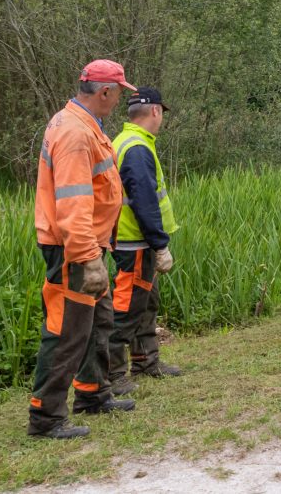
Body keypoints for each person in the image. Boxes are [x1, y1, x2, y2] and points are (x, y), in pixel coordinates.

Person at [29, 59, 137, 439]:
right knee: (67, 330)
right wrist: (88, 258)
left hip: (90, 244)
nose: (120, 99)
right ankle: (46, 417)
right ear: (105, 92)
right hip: (74, 248)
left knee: (97, 322)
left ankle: (93, 393)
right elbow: (73, 203)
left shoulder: (82, 124)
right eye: (120, 92)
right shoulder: (75, 133)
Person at [109, 87, 181, 396]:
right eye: (162, 112)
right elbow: (144, 201)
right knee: (126, 309)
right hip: (134, 241)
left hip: (136, 240)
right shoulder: (137, 147)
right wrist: (159, 244)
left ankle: (146, 361)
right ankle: (113, 374)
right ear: (155, 111)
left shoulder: (126, 141)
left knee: (146, 304)